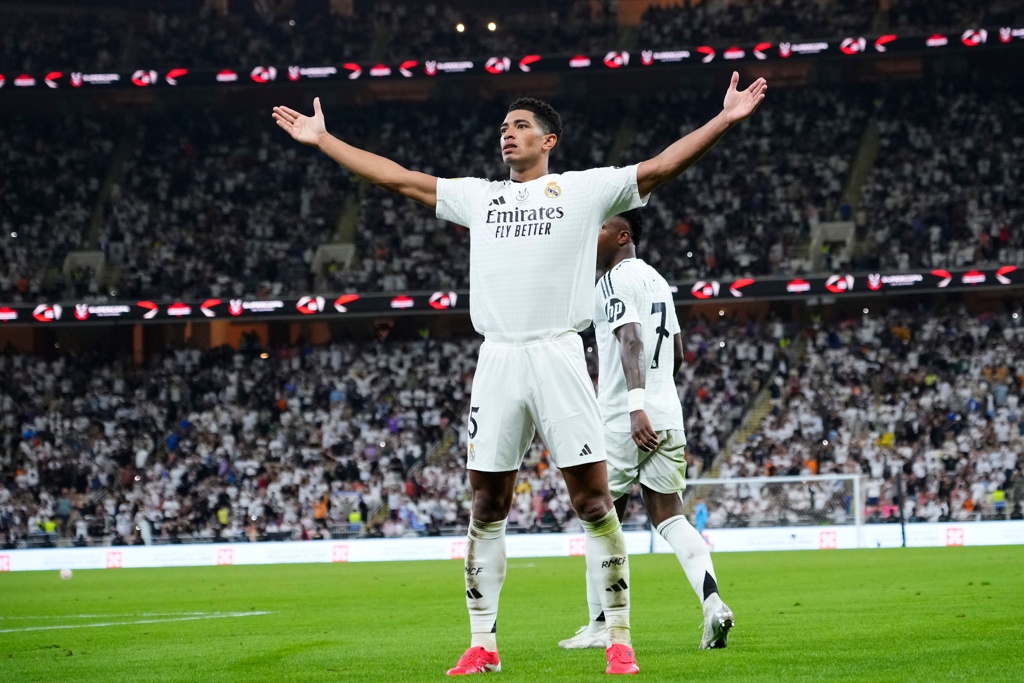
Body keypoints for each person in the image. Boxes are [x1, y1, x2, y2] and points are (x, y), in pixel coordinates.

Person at [272, 71, 766, 676]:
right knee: (486, 502)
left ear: (548, 140)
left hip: (558, 353)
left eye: (521, 126)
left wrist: (725, 119)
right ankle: (482, 643)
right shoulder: (480, 197)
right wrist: (325, 140)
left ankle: (618, 638)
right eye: (504, 126)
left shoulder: (584, 191)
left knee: (593, 501)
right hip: (498, 357)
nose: (507, 134)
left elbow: (661, 167)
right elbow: (397, 177)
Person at [558, 209, 734, 653]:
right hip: (667, 413)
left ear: (623, 236)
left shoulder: (612, 282)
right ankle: (713, 603)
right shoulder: (658, 281)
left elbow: (631, 339)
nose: (592, 235)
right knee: (671, 517)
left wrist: (636, 407)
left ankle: (601, 624)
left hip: (624, 417)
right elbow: (676, 350)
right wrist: (654, 398)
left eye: (600, 227)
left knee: (600, 520)